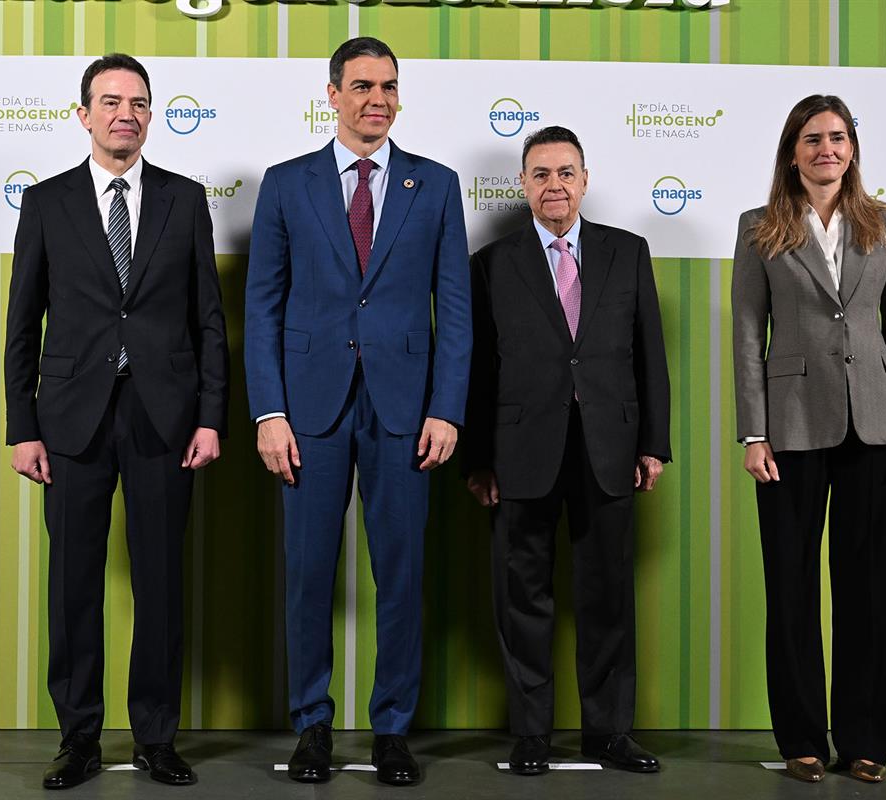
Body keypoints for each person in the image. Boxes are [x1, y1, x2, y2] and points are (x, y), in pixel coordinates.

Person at [244, 37, 471, 786]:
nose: (378, 98)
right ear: (333, 94)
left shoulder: (434, 186)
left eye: (390, 86)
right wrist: (268, 411)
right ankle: (311, 725)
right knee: (308, 572)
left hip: (407, 410)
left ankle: (392, 730)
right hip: (307, 408)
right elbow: (263, 306)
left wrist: (448, 409)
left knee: (400, 574)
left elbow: (457, 310)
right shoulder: (285, 183)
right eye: (363, 85)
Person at [4, 53, 228, 790]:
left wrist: (210, 417)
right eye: (109, 101)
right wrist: (21, 426)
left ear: (150, 115)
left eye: (137, 102)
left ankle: (156, 739)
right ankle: (77, 739)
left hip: (165, 418)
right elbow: (22, 322)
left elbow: (209, 322)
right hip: (69, 421)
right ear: (84, 115)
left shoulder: (184, 198)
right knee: (73, 586)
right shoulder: (45, 202)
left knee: (161, 583)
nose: (124, 113)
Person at [731, 94, 886, 784]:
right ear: (793, 150)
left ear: (852, 148)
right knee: (790, 586)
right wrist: (752, 432)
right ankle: (802, 741)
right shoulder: (759, 227)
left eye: (838, 138)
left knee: (870, 586)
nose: (828, 149)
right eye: (814, 138)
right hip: (788, 424)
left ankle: (867, 740)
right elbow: (746, 335)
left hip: (876, 422)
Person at [462, 126, 671, 776]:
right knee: (522, 595)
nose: (555, 184)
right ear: (523, 185)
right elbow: (476, 368)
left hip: (609, 448)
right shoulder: (491, 264)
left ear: (585, 180)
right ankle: (531, 734)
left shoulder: (627, 252)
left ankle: (609, 732)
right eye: (542, 173)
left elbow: (649, 356)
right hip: (519, 450)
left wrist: (654, 444)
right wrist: (477, 458)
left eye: (566, 172)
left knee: (608, 594)